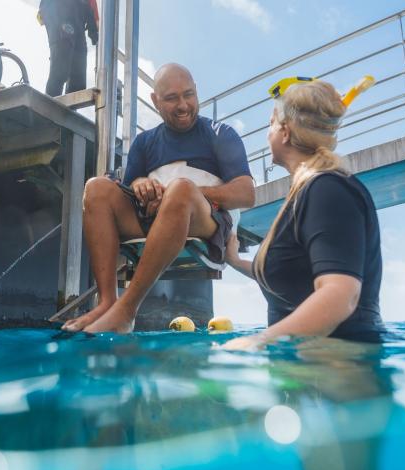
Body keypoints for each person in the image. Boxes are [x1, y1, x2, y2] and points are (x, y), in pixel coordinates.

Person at [62, 63, 255, 334]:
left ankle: (126, 311)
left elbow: (247, 193)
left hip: (205, 222)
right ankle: (107, 302)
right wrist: (142, 185)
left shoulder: (220, 134)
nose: (183, 105)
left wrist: (177, 193)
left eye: (188, 94)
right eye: (171, 98)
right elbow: (127, 189)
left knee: (181, 190)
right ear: (155, 101)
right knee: (96, 188)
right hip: (151, 219)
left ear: (197, 92)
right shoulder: (144, 142)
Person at [222, 78, 386, 351]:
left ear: (285, 132)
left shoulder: (327, 190)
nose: (267, 133)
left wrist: (256, 342)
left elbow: (339, 294)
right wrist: (235, 260)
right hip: (310, 373)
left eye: (271, 124)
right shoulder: (311, 191)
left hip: (339, 372)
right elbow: (291, 276)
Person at [38, 0, 99, 97]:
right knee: (60, 71)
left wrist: (93, 30)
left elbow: (88, 7)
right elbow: (46, 7)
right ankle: (49, 106)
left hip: (78, 25)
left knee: (78, 81)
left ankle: (70, 109)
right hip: (59, 20)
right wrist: (57, 23)